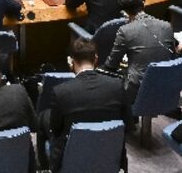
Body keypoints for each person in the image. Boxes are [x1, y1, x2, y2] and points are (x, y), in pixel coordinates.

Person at [48, 38, 129, 173]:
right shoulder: (117, 86)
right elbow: (127, 125)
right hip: (110, 156)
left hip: (72, 158)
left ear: (71, 61)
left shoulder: (61, 92)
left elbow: (55, 130)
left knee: (44, 122)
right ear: (96, 59)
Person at [104, 0, 176, 101]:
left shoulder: (125, 31)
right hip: (165, 81)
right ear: (143, 4)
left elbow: (112, 64)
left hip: (138, 87)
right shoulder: (166, 26)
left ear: (124, 12)